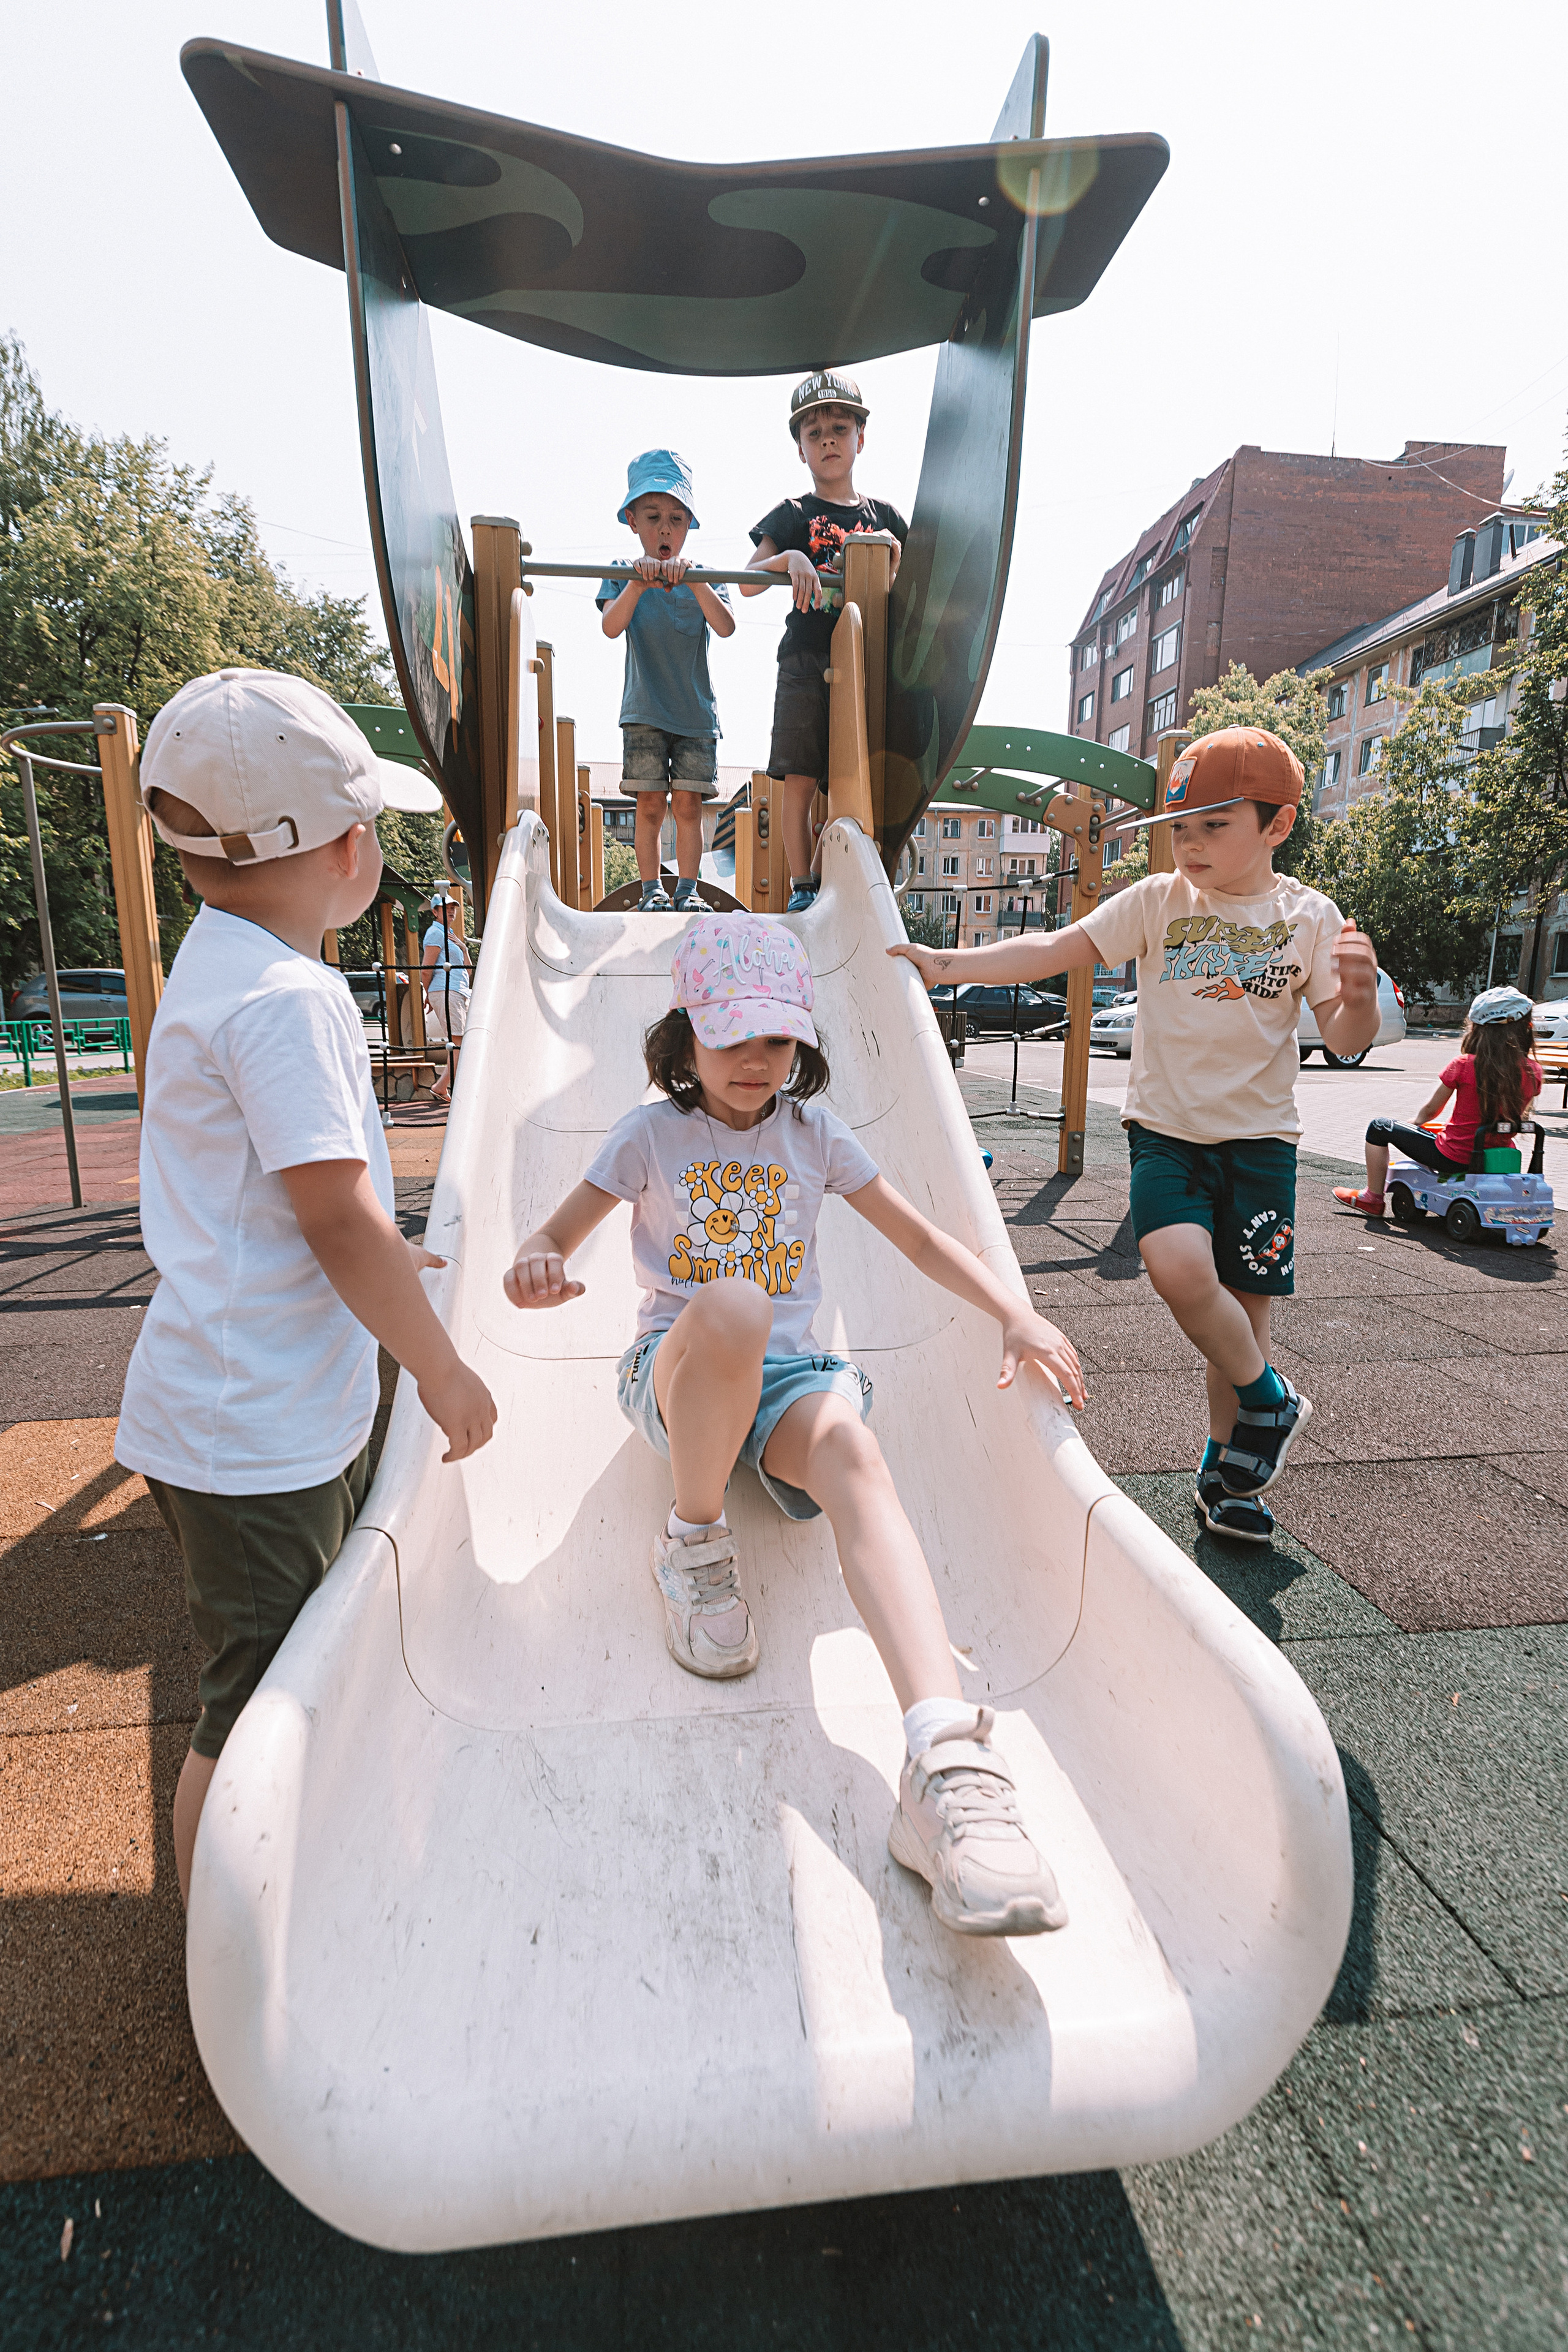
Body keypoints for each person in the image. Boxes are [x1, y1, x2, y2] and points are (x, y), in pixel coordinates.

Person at [505, 913, 1086, 1939]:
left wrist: (1015, 1309)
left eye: (775, 1041)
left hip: (786, 1383)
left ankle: (944, 1760)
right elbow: (555, 1234)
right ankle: (692, 1541)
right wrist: (539, 1263)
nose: (754, 1062)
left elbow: (916, 1235)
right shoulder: (649, 1137)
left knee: (854, 1448)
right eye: (730, 1039)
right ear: (682, 1040)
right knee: (731, 1300)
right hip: (678, 1370)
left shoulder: (814, 1136)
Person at [115, 669, 497, 1906]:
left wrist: (388, 1251)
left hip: (250, 1407)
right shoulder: (289, 999)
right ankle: (227, 1964)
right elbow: (333, 1215)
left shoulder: (221, 964)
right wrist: (438, 1366)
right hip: (255, 1431)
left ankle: (280, 1902)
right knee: (258, 1700)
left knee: (290, 1669)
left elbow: (296, 1205)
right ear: (347, 849)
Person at [889, 726, 1382, 1548]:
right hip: (1167, 1137)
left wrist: (1359, 996)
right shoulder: (1159, 902)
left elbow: (1344, 1035)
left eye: (1214, 827)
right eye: (1180, 829)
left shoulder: (1308, 917)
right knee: (1179, 1270)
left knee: (1244, 1323)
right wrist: (948, 966)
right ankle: (1271, 1403)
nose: (1189, 844)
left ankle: (1230, 1477)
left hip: (1262, 1145)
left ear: (1278, 825)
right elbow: (1055, 948)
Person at [742, 372, 907, 911]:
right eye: (816, 434)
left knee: (851, 777)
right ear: (800, 449)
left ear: (862, 438)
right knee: (800, 777)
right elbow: (745, 581)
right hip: (805, 658)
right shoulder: (794, 515)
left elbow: (916, 596)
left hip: (864, 664)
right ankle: (802, 885)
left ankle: (830, 873)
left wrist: (894, 557)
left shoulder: (884, 519)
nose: (829, 441)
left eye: (840, 428)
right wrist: (788, 558)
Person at [598, 450, 734, 914]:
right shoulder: (623, 572)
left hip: (696, 714)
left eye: (676, 519)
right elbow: (611, 626)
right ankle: (652, 890)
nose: (664, 529)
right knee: (651, 804)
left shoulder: (706, 576)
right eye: (653, 517)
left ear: (689, 525)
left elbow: (727, 625)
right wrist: (637, 586)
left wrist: (695, 582)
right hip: (645, 711)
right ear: (633, 522)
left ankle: (688, 891)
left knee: (690, 807)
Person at [1332, 985, 1542, 1213]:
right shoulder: (1534, 1072)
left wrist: (1409, 1129)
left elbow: (1430, 1110)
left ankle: (1372, 1197)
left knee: (1379, 1127)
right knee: (1437, 1130)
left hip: (1452, 1157)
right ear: (1524, 1029)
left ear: (1480, 1030)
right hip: (1493, 1159)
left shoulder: (1464, 1065)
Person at [421, 889, 471, 1106]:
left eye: (453, 908)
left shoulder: (450, 936)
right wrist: (430, 994)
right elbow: (426, 969)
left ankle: (442, 1086)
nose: (451, 911)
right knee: (460, 1043)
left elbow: (468, 971)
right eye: (446, 908)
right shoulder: (435, 934)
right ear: (435, 911)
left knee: (460, 1043)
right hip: (447, 990)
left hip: (456, 991)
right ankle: (443, 1087)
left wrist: (464, 948)